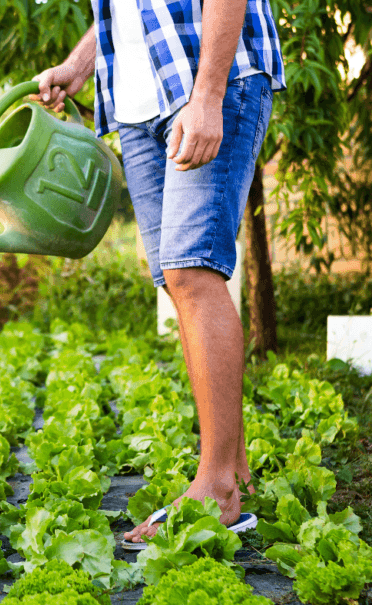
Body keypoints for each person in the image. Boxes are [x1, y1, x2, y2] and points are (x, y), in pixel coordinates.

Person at [32, 0, 285, 548]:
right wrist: (80, 65)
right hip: (137, 104)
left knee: (193, 271)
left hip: (205, 82)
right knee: (178, 281)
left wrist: (209, 96)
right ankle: (233, 472)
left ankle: (217, 490)